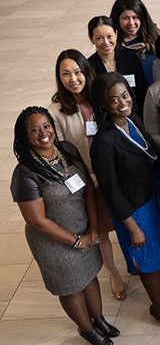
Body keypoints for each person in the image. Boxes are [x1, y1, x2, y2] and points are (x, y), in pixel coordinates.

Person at [11, 107, 120, 345]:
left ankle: (99, 320)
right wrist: (75, 241)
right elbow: (37, 221)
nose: (43, 134)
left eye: (46, 126)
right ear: (25, 136)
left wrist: (93, 227)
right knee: (70, 287)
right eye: (35, 130)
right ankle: (87, 329)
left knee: (90, 275)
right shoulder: (25, 173)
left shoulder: (66, 150)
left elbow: (88, 188)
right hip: (54, 243)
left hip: (84, 230)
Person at [90, 72, 160, 329]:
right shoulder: (103, 141)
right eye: (114, 100)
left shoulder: (131, 120)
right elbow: (111, 191)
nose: (122, 102)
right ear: (104, 104)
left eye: (125, 95)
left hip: (153, 197)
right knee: (148, 261)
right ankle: (158, 308)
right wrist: (132, 226)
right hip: (134, 210)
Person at [47, 49, 126, 302]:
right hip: (87, 180)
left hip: (113, 171)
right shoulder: (57, 110)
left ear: (86, 72)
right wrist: (87, 180)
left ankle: (134, 264)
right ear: (59, 78)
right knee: (101, 230)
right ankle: (113, 273)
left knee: (126, 222)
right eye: (66, 74)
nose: (73, 79)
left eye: (78, 72)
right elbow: (62, 152)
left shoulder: (100, 97)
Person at [87, 15, 148, 114]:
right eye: (99, 38)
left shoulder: (131, 58)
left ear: (116, 34)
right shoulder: (89, 67)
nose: (106, 42)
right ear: (91, 39)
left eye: (109, 36)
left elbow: (142, 92)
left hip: (135, 114)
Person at [110, 0, 160, 86]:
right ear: (117, 20)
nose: (131, 23)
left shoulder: (156, 38)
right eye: (125, 18)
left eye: (135, 17)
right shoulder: (112, 45)